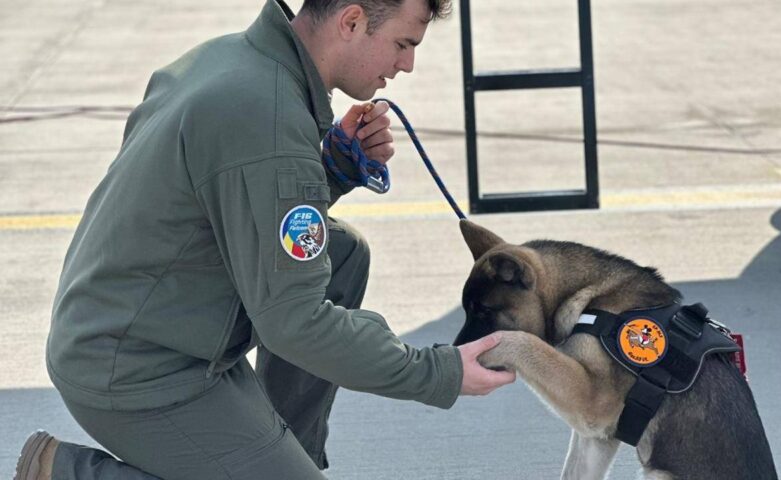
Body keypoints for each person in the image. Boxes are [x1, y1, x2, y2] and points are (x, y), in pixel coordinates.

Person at [14, 0, 516, 479]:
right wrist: (437, 372)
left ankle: (274, 454)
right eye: (403, 43)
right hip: (138, 370)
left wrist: (331, 171)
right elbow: (295, 324)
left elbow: (229, 205)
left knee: (342, 254)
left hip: (137, 322)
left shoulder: (234, 59)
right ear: (352, 21)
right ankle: (67, 473)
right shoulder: (269, 118)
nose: (406, 64)